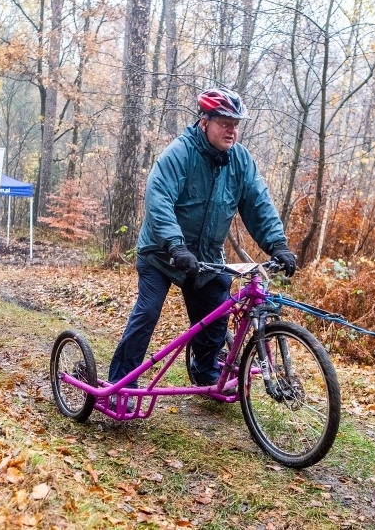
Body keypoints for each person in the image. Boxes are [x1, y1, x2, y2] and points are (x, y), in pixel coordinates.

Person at [107, 88, 297, 402]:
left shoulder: (240, 161)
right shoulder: (180, 154)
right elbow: (159, 199)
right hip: (161, 253)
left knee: (216, 314)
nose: (231, 130)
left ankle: (206, 371)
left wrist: (277, 244)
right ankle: (120, 383)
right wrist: (175, 245)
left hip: (205, 258)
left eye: (235, 124)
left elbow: (258, 204)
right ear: (204, 121)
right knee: (147, 313)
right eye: (224, 123)